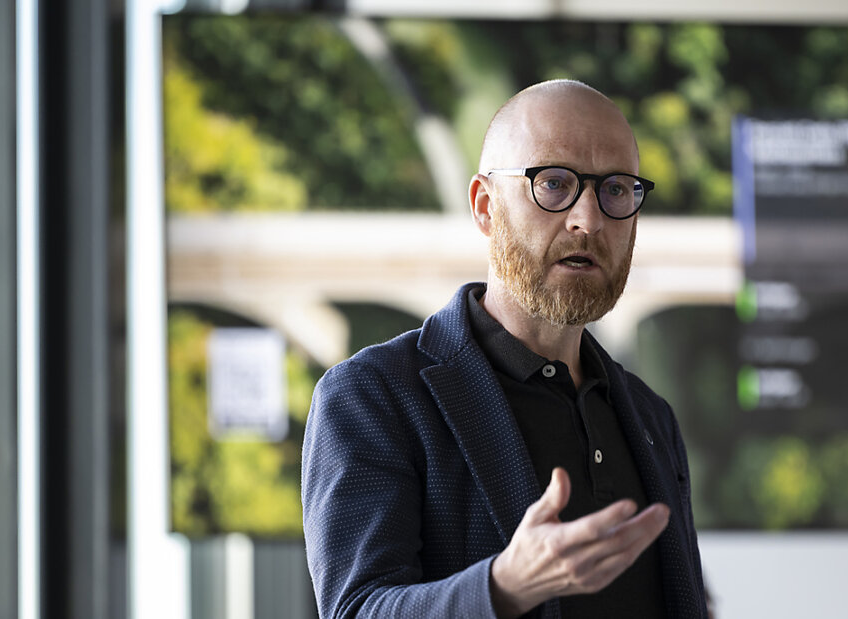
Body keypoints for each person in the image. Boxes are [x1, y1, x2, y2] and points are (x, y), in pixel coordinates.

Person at [302, 80, 707, 618]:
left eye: (615, 189)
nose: (588, 220)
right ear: (485, 207)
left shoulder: (652, 417)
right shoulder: (372, 396)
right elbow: (358, 610)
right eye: (554, 184)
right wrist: (505, 586)